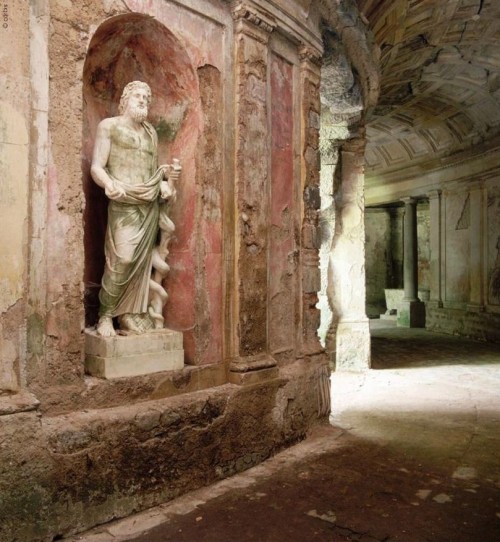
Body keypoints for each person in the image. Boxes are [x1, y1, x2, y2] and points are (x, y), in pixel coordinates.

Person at [91, 81, 179, 337]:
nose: (143, 101)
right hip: (123, 201)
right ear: (125, 99)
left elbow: (152, 172)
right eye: (137, 96)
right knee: (123, 259)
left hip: (148, 202)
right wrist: (109, 183)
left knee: (141, 265)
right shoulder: (109, 126)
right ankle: (105, 315)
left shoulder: (150, 132)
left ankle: (130, 314)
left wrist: (164, 183)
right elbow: (97, 166)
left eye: (146, 98)